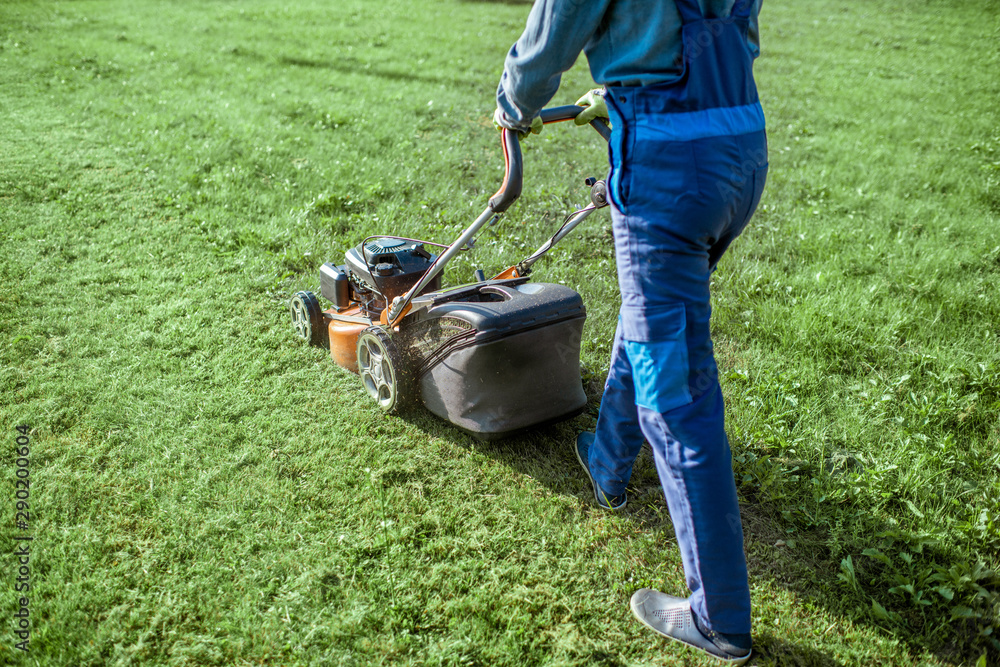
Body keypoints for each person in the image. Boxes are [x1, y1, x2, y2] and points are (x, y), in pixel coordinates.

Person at [493, 0, 768, 663]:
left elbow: (552, 34)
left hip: (670, 168)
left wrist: (513, 105)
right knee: (656, 324)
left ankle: (718, 617)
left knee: (673, 391)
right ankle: (608, 461)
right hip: (740, 148)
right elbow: (740, 35)